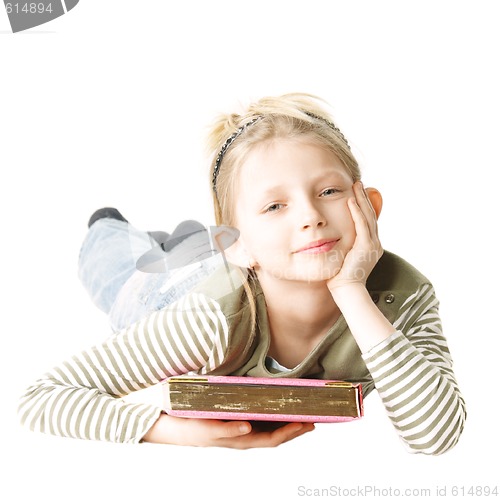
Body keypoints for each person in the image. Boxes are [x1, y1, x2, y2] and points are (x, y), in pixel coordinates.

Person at [18, 93, 466, 454]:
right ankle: (109, 224)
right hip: (166, 292)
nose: (310, 216)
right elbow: (42, 397)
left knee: (180, 246)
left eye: (328, 191)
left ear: (369, 205)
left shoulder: (404, 295)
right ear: (239, 241)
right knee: (118, 270)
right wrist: (172, 430)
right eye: (275, 205)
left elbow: (435, 435)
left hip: (241, 262)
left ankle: (186, 240)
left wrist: (350, 287)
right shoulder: (206, 320)